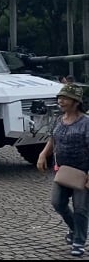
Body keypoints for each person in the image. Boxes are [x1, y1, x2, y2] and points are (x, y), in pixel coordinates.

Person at [37, 83, 89, 257]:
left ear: (76, 102)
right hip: (63, 171)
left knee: (81, 208)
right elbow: (53, 140)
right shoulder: (59, 120)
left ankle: (79, 241)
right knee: (57, 203)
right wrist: (43, 155)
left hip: (83, 172)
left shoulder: (86, 122)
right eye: (60, 97)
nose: (61, 101)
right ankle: (75, 230)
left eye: (65, 98)